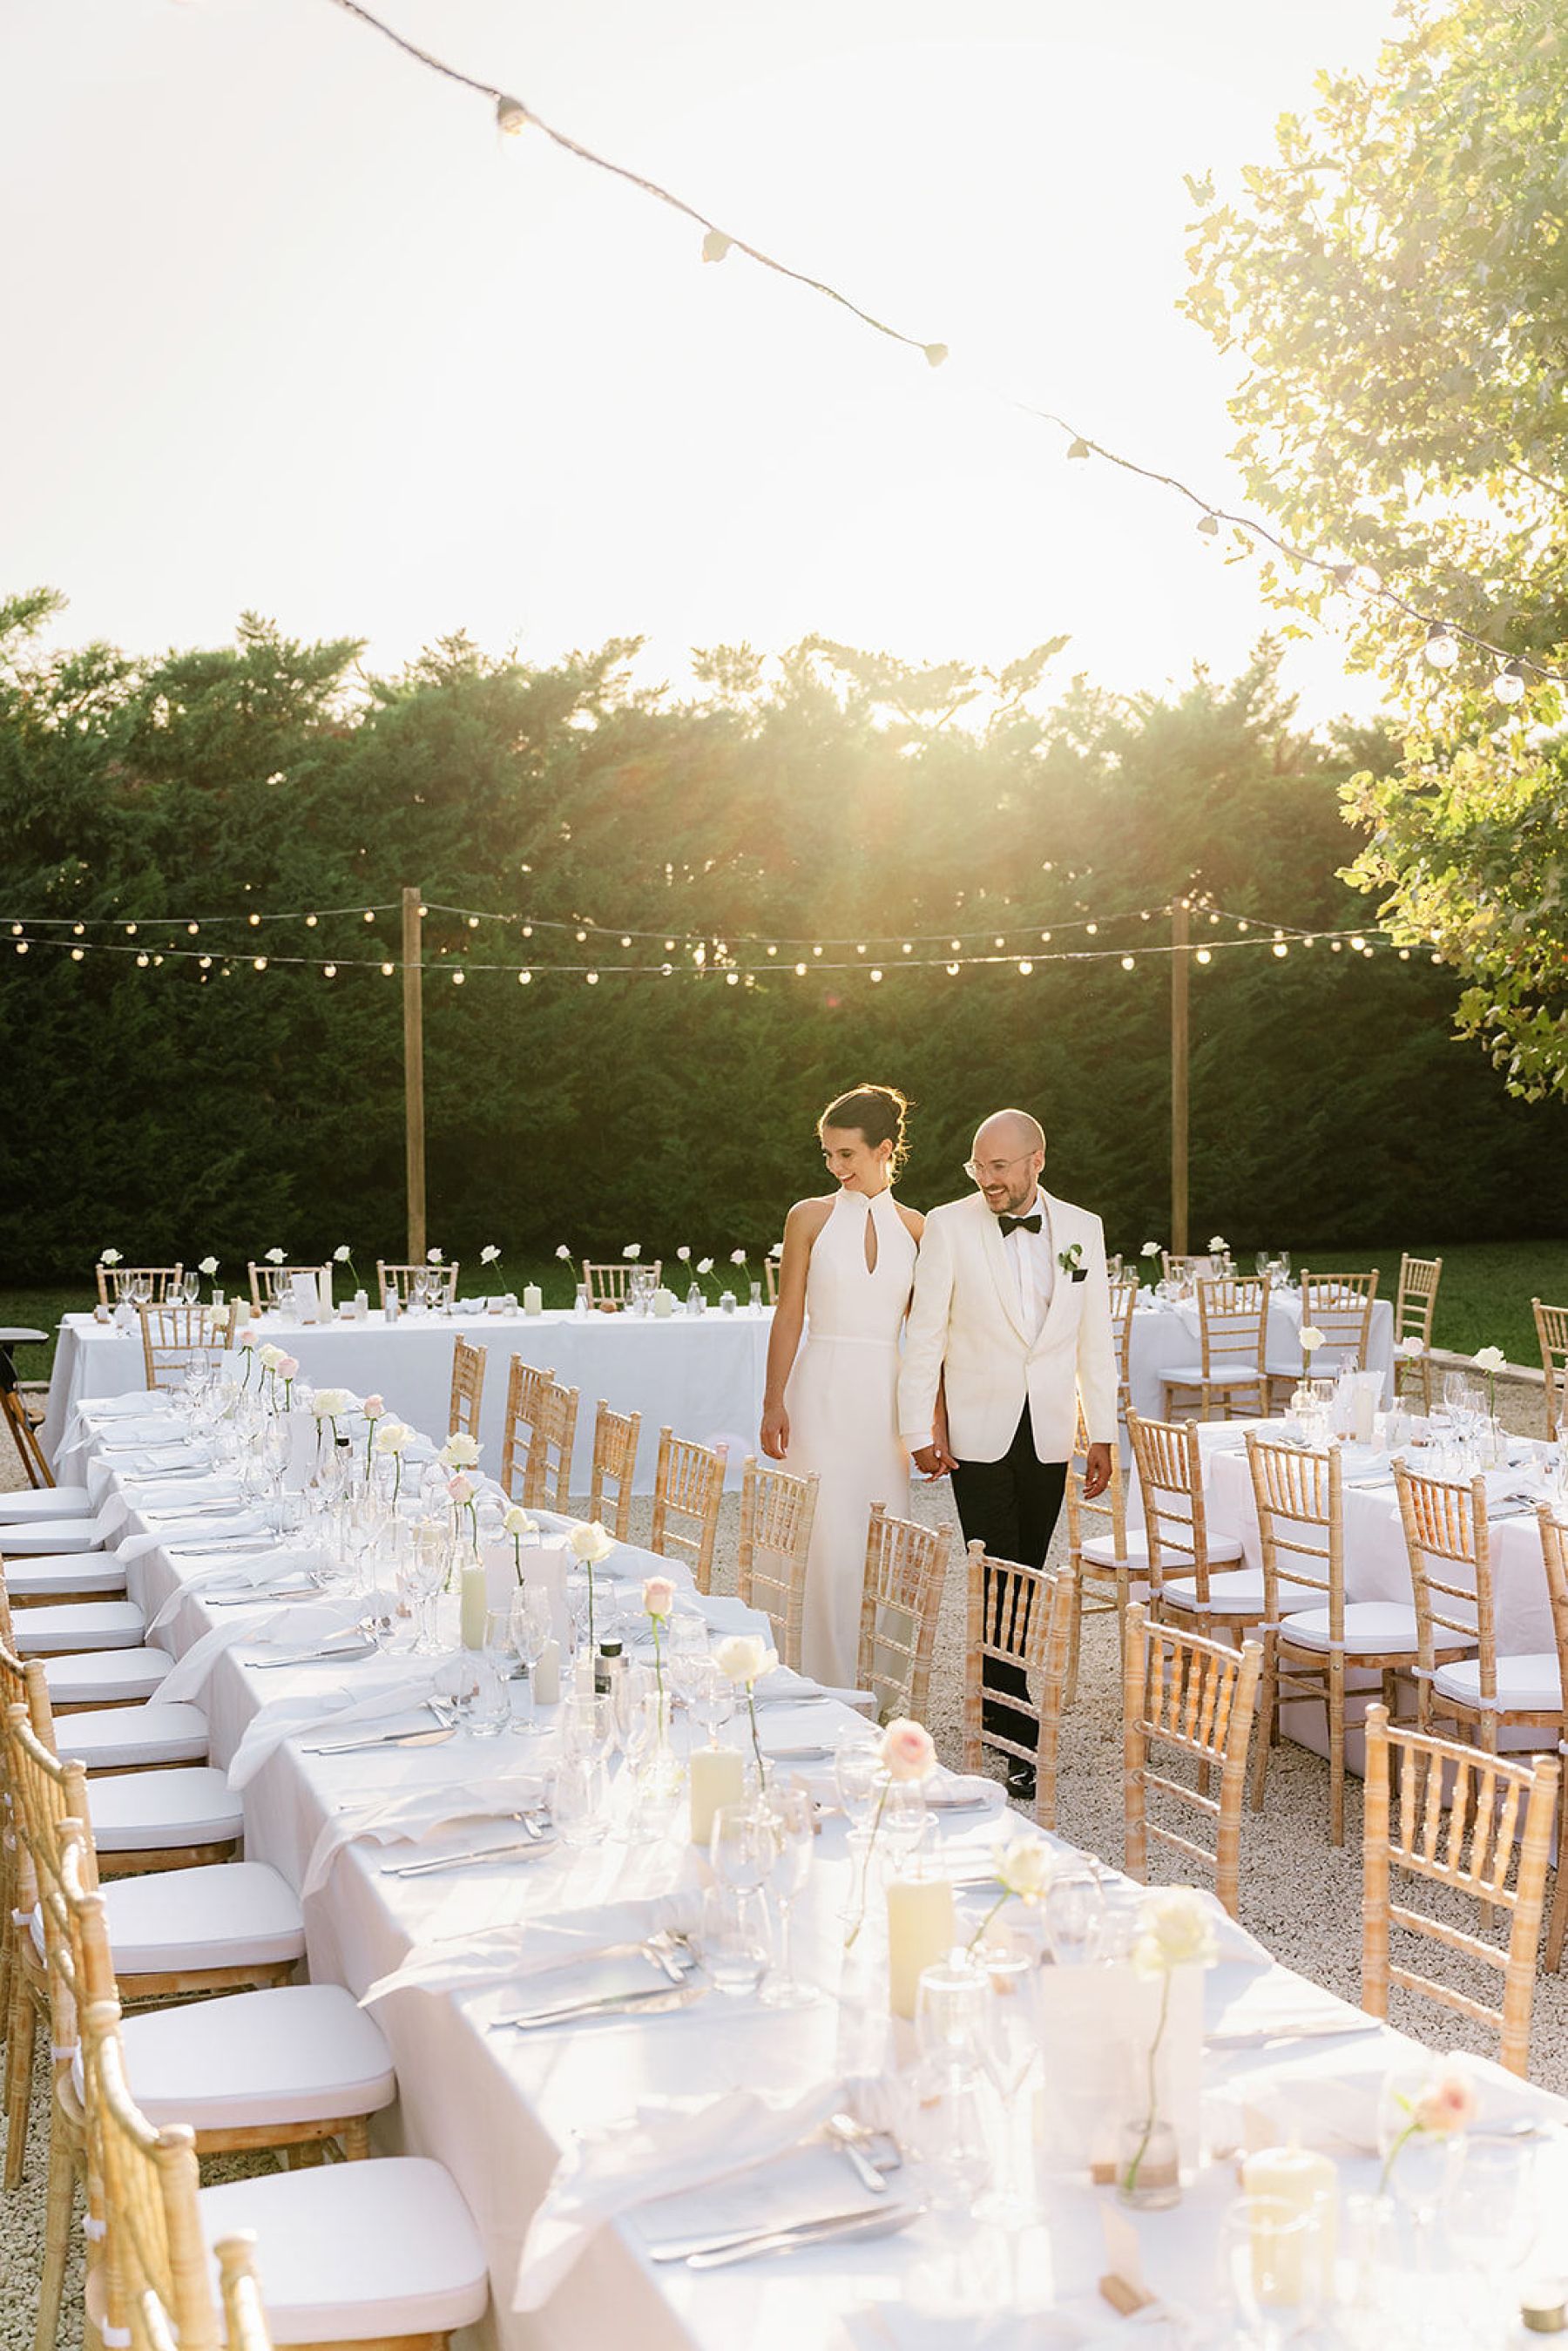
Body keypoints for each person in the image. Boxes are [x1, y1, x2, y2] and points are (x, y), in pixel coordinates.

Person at [896, 1107, 1115, 1796]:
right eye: (977, 1166)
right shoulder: (949, 1226)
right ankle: (1018, 1730)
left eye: (998, 1166)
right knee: (999, 1573)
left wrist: (1101, 1431)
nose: (986, 1178)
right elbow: (924, 1335)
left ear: (1035, 1162)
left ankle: (999, 1702)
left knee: (1027, 1569)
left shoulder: (1083, 1229)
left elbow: (1094, 1341)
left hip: (1049, 1430)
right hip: (977, 1431)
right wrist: (917, 1430)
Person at [760, 1084, 928, 1686]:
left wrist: (928, 1422)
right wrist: (773, 1399)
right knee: (825, 1530)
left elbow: (927, 1336)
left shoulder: (918, 1228)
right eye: (828, 1155)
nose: (836, 1166)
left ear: (885, 1149)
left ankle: (877, 1688)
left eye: (847, 1155)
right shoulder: (808, 1216)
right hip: (821, 1392)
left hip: (884, 1403)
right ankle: (810, 1679)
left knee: (884, 1535)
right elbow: (789, 1314)